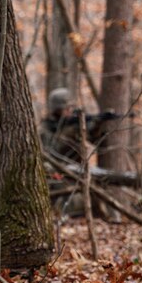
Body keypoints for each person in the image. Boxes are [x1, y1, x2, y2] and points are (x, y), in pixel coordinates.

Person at [40, 87, 120, 222]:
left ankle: (107, 218)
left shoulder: (76, 125)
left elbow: (98, 143)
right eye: (66, 108)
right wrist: (68, 135)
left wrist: (97, 125)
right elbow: (49, 153)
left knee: (95, 191)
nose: (69, 111)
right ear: (57, 110)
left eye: (70, 108)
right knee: (66, 199)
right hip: (56, 176)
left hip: (78, 174)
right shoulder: (45, 128)